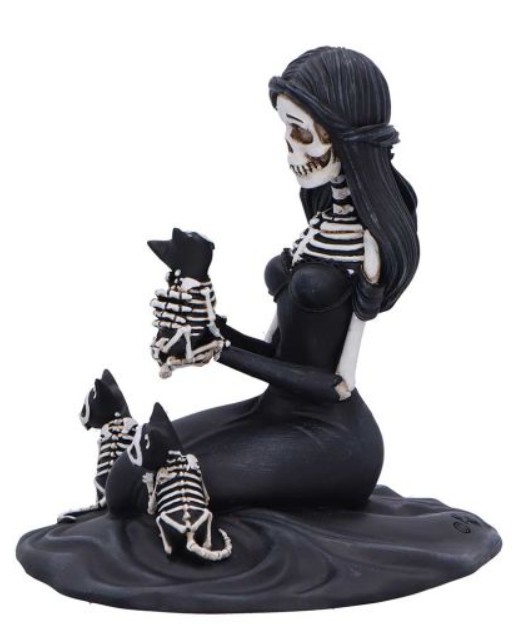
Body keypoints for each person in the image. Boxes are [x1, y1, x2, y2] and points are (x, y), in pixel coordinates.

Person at [105, 46, 420, 517]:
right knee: (128, 473)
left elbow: (337, 384)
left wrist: (220, 351)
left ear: (342, 136)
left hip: (335, 439)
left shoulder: (367, 247)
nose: (291, 149)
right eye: (286, 131)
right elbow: (276, 352)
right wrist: (211, 329)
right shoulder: (316, 228)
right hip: (273, 413)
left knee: (165, 479)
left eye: (301, 132)